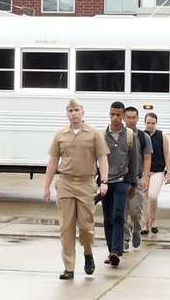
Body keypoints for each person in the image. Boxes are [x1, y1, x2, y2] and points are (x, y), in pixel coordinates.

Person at [44, 98, 110, 280]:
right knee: (66, 227)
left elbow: (103, 158)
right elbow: (52, 161)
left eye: (76, 110)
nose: (73, 113)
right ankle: (69, 267)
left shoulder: (94, 134)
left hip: (86, 184)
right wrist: (47, 185)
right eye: (70, 110)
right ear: (67, 113)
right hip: (65, 183)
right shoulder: (60, 135)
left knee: (86, 227)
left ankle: (88, 253)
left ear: (83, 112)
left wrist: (104, 181)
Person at [100, 101, 138, 268]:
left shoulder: (130, 136)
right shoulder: (101, 135)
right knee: (108, 218)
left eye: (118, 115)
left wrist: (133, 183)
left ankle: (116, 250)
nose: (115, 118)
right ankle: (111, 251)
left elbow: (134, 160)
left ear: (123, 116)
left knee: (118, 215)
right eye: (112, 114)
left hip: (122, 181)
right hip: (106, 181)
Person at [123, 106, 152, 251]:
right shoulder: (119, 135)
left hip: (138, 178)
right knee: (122, 211)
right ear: (124, 118)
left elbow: (147, 158)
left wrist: (146, 178)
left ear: (138, 119)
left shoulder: (143, 137)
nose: (131, 120)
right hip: (121, 179)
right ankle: (125, 237)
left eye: (134, 117)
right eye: (128, 117)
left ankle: (136, 230)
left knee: (135, 211)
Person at [142, 112, 170, 235]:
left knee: (153, 196)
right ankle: (145, 224)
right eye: (148, 123)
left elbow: (167, 154)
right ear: (144, 123)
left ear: (156, 123)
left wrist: (168, 172)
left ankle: (153, 219)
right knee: (145, 198)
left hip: (157, 170)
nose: (150, 125)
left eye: (152, 123)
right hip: (144, 171)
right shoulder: (141, 135)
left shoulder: (161, 136)